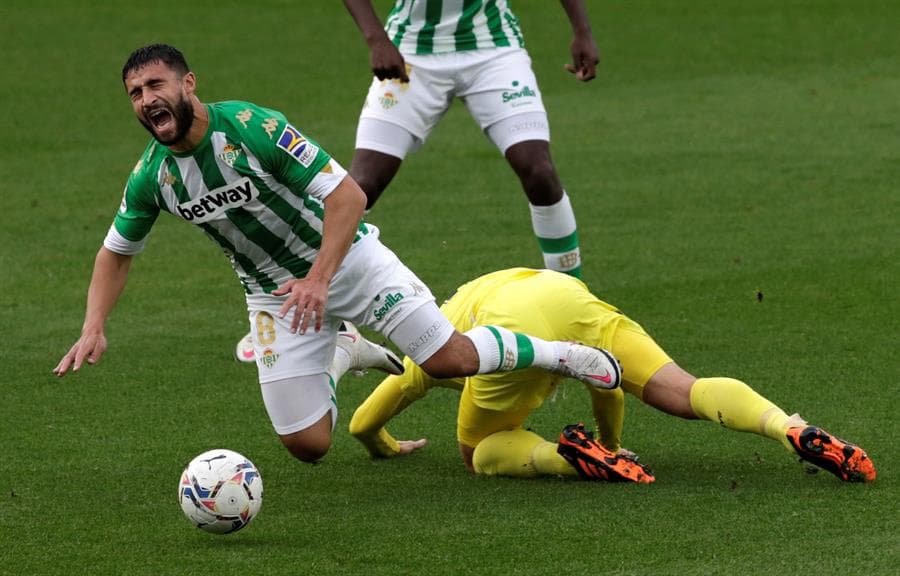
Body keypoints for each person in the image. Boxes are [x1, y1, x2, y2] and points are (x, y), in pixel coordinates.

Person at [53, 45, 623, 466]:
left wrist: (320, 279)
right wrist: (94, 325)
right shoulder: (152, 178)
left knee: (449, 360)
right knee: (307, 445)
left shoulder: (255, 128)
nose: (147, 99)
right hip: (274, 298)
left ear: (188, 84)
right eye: (135, 93)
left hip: (349, 264)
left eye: (155, 84)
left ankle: (561, 355)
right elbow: (115, 251)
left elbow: (348, 196)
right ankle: (345, 350)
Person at [349, 268, 877, 484]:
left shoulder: (435, 345)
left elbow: (362, 423)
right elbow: (604, 378)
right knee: (683, 389)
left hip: (509, 324)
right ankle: (784, 426)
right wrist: (612, 440)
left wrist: (385, 446)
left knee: (477, 451)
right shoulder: (472, 291)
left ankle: (567, 459)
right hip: (566, 295)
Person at [343, 0, 599, 278]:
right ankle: (321, 298)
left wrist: (582, 32)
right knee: (361, 187)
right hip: (411, 53)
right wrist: (377, 39)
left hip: (493, 49)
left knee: (538, 169)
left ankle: (571, 293)